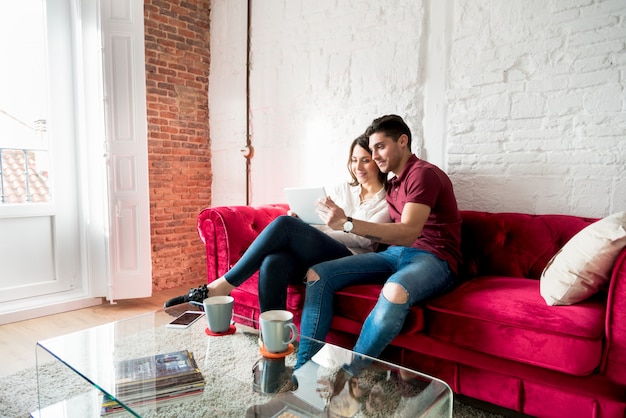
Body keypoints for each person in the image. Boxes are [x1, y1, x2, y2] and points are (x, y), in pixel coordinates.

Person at [295, 114, 462, 372]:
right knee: (318, 274)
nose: (374, 156)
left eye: (380, 147)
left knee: (394, 290)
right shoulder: (393, 183)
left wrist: (347, 222)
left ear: (403, 141)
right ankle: (302, 368)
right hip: (397, 254)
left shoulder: (423, 174)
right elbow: (395, 238)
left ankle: (351, 377)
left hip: (435, 259)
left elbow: (408, 232)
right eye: (371, 149)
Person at [197, 134, 391, 312]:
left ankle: (223, 284)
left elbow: (364, 240)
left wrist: (313, 232)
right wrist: (306, 223)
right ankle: (273, 341)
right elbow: (323, 220)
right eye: (354, 160)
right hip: (324, 249)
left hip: (353, 258)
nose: (358, 167)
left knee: (285, 224)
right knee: (274, 261)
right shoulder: (343, 189)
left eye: (365, 160)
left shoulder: (387, 200)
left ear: (378, 161)